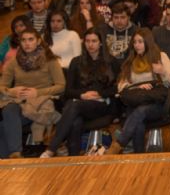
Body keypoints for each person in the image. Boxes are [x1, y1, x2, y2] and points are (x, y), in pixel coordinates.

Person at [40, 28, 119, 157]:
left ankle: (51, 148)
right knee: (75, 120)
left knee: (73, 106)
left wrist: (100, 94)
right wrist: (82, 95)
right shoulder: (76, 62)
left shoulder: (111, 61)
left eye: (94, 41)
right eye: (87, 41)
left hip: (102, 105)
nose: (90, 44)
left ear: (100, 43)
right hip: (81, 104)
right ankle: (73, 158)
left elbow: (117, 88)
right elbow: (68, 91)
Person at [107, 28, 170, 154]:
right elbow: (121, 86)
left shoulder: (160, 56)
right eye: (134, 42)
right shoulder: (131, 60)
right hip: (136, 101)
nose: (136, 45)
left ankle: (119, 144)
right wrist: (137, 86)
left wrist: (162, 72)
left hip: (156, 103)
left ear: (148, 42)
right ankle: (138, 156)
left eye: (140, 42)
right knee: (138, 121)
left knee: (140, 112)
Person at [0, 28, 65, 158]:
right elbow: (2, 86)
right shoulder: (14, 62)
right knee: (8, 111)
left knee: (4, 121)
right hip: (18, 102)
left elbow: (61, 86)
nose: (27, 43)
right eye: (23, 40)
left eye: (31, 39)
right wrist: (12, 91)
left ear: (38, 41)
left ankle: (10, 157)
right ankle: (13, 155)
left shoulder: (50, 60)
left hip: (40, 102)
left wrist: (37, 92)